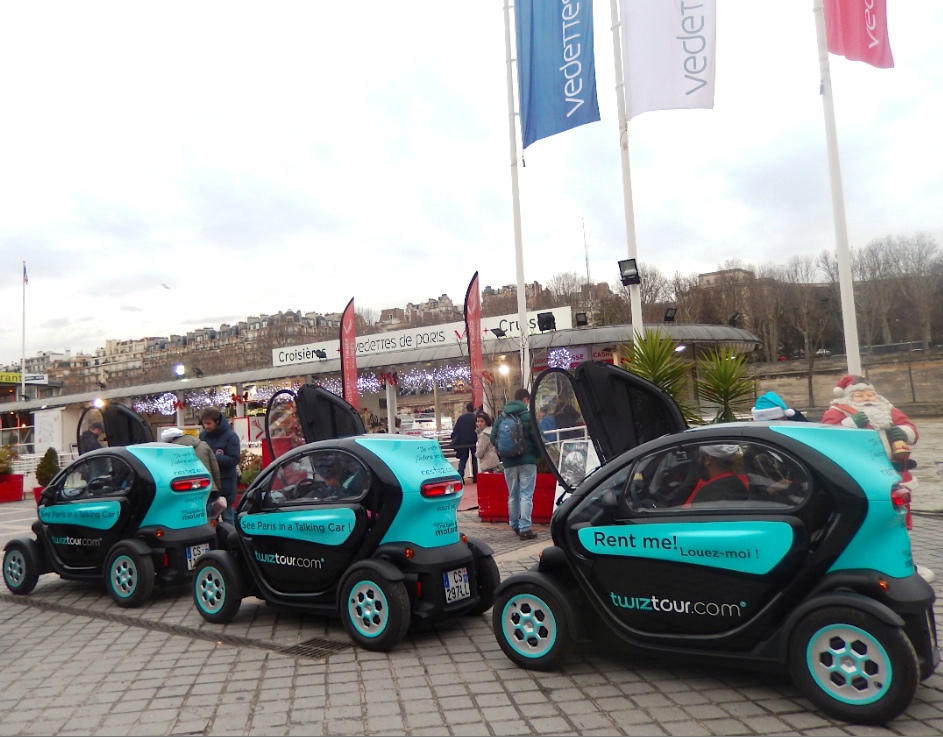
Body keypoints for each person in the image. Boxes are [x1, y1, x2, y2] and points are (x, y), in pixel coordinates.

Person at [820, 374, 933, 582]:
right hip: (863, 476)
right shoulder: (837, 412)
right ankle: (870, 562)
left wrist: (904, 432)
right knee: (870, 519)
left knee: (901, 520)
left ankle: (904, 561)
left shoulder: (888, 410)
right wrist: (849, 423)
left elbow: (912, 430)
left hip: (897, 474)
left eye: (869, 392)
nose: (867, 397)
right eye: (860, 394)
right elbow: (826, 437)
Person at [491, 388, 542, 540]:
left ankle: (514, 524)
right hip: (528, 461)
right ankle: (525, 528)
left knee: (513, 495)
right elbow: (536, 438)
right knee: (526, 494)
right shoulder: (528, 416)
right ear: (525, 400)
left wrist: (504, 453)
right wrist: (537, 455)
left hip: (509, 463)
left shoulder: (502, 416)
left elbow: (493, 438)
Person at [160, 427, 224, 519]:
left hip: (184, 493)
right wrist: (216, 488)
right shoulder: (203, 444)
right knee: (208, 519)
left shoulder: (171, 452)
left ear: (170, 440)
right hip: (207, 488)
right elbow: (215, 469)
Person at [198, 408, 241, 524]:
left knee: (228, 518)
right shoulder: (203, 436)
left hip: (226, 487)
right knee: (210, 520)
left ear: (217, 422)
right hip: (210, 487)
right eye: (204, 423)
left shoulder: (231, 436)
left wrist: (213, 458)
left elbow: (234, 459)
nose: (206, 426)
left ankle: (231, 541)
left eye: (209, 423)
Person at [682, 444, 749, 507]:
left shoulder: (708, 494)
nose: (698, 461)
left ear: (707, 459)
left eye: (699, 456)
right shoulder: (737, 484)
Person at [451, 402, 479, 482]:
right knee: (474, 459)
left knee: (463, 459)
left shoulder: (461, 418)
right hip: (474, 441)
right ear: (473, 409)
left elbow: (455, 430)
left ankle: (461, 476)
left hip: (463, 442)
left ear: (466, 409)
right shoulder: (475, 417)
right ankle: (476, 477)